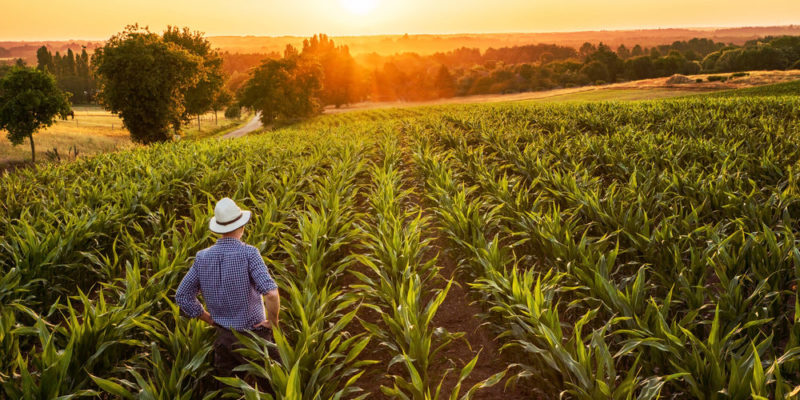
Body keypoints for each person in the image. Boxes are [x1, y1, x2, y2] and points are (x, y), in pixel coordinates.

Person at [175, 197, 281, 392]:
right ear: (241, 227)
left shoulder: (202, 257)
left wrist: (210, 320)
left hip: (224, 338)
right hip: (255, 337)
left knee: (227, 391)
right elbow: (272, 294)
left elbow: (182, 296)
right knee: (275, 387)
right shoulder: (249, 253)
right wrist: (273, 323)